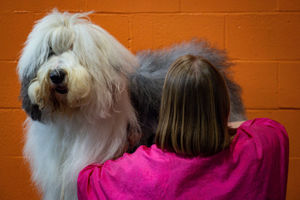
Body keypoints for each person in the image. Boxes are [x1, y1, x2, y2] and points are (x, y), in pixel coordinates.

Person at [77, 55, 289, 200]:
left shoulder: (142, 168)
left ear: (167, 109)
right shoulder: (259, 148)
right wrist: (216, 124)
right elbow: (270, 126)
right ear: (224, 104)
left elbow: (86, 181)